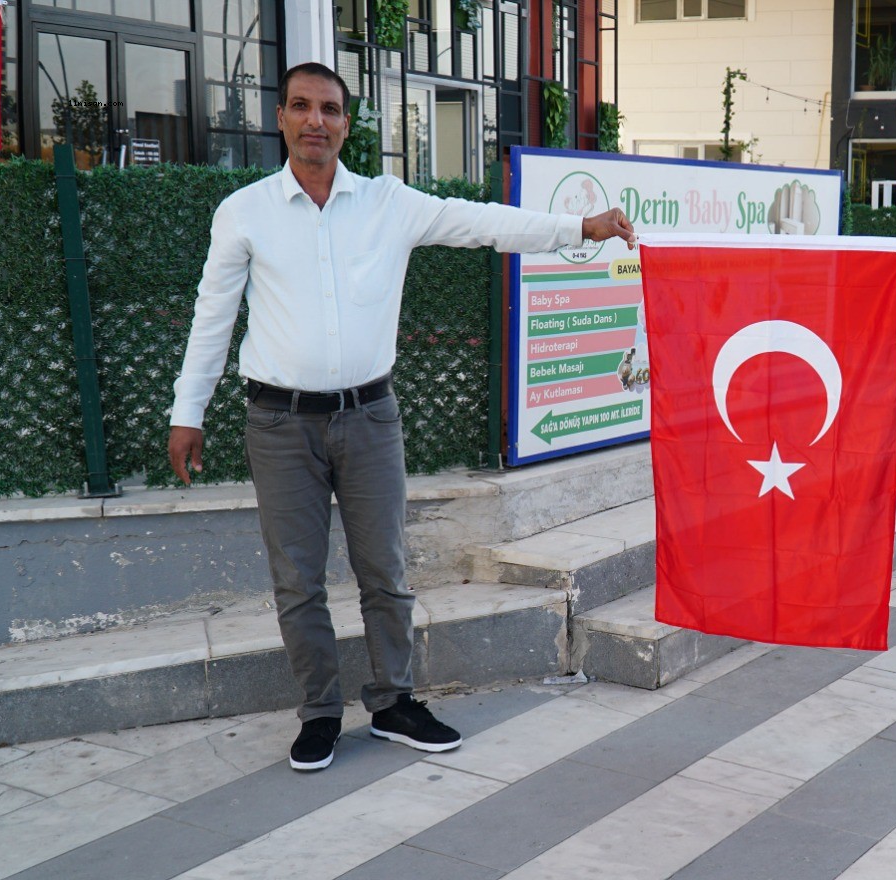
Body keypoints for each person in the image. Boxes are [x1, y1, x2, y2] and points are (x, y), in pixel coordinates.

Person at [167, 62, 635, 772]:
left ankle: (392, 703)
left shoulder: (390, 202)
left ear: (347, 124)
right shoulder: (244, 212)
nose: (315, 121)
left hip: (369, 418)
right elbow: (213, 316)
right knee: (298, 580)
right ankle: (319, 713)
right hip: (279, 424)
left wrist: (582, 224)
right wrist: (186, 411)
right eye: (300, 106)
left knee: (385, 569)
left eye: (328, 108)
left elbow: (485, 223)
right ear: (283, 118)